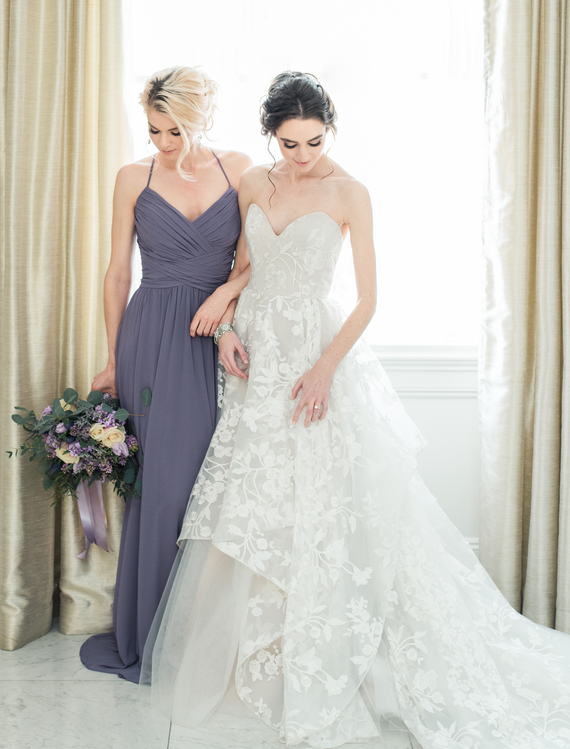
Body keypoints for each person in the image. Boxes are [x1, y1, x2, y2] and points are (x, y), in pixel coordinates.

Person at [141, 71, 570, 748]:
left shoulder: (350, 193)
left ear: (330, 131)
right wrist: (223, 323)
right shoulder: (253, 182)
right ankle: (258, 652)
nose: (302, 155)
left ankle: (333, 650)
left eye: (314, 141)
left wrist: (323, 368)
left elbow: (369, 299)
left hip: (315, 355)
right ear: (271, 135)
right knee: (254, 499)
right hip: (256, 354)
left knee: (326, 501)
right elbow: (244, 267)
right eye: (289, 143)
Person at [80, 66, 251, 683]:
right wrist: (111, 358)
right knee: (162, 489)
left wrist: (224, 296)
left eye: (174, 130)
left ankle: (207, 639)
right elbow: (117, 273)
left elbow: (255, 260)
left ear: (201, 118)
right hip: (151, 337)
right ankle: (151, 634)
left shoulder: (241, 169)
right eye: (154, 130)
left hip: (218, 337)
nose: (162, 143)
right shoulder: (135, 177)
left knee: (214, 485)